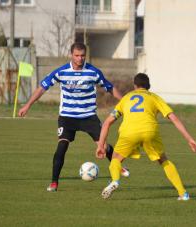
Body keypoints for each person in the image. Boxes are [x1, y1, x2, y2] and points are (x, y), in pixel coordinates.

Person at [18, 42, 129, 192]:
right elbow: (42, 88)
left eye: (82, 55)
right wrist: (27, 105)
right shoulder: (61, 72)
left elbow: (109, 87)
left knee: (103, 145)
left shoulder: (93, 72)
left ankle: (118, 166)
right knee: (62, 146)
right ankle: (54, 183)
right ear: (71, 55)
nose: (80, 58)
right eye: (77, 55)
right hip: (67, 117)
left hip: (88, 116)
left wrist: (125, 103)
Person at [96, 73, 196, 200]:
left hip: (129, 132)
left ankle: (115, 181)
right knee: (163, 160)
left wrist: (101, 145)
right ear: (148, 86)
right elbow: (173, 118)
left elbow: (107, 123)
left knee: (115, 160)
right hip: (149, 131)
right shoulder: (154, 97)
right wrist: (189, 139)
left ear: (135, 85)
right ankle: (183, 194)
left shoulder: (126, 98)